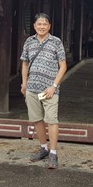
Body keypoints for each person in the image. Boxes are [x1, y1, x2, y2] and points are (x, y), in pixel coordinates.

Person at [20, 13, 67, 169]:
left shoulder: (56, 42)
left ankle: (53, 152)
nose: (41, 26)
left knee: (51, 120)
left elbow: (63, 66)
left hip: (49, 90)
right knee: (37, 119)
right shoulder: (29, 42)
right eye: (38, 24)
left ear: (49, 26)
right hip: (32, 88)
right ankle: (43, 148)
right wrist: (24, 83)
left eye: (44, 24)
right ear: (34, 26)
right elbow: (25, 63)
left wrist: (54, 86)